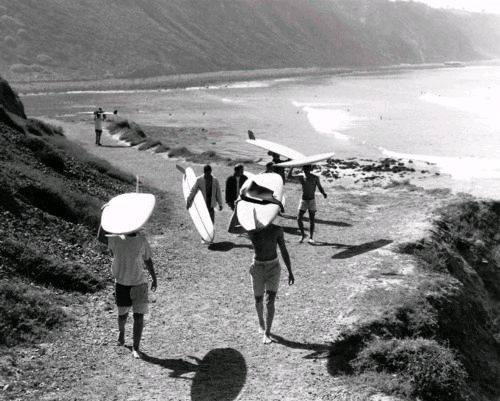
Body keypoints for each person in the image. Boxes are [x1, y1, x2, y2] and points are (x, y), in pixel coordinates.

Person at [237, 175, 295, 344]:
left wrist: (290, 271)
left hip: (273, 267)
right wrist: (239, 204)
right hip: (257, 267)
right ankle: (261, 324)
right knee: (258, 300)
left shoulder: (277, 230)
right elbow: (232, 229)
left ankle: (267, 333)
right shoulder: (253, 229)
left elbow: (284, 251)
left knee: (270, 302)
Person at [98, 228, 157, 359]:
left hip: (139, 283)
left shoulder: (141, 241)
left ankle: (136, 347)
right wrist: (104, 218)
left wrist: (154, 277)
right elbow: (100, 237)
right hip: (121, 283)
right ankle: (122, 331)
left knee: (139, 317)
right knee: (122, 316)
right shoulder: (116, 239)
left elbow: (147, 260)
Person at [296, 164, 327, 244]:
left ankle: (311, 237)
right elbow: (289, 177)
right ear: (303, 169)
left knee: (312, 220)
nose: (305, 170)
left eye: (307, 168)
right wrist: (292, 166)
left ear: (310, 169)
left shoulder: (315, 177)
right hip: (303, 200)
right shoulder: (301, 177)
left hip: (312, 201)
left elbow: (319, 186)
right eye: (304, 169)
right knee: (299, 218)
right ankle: (303, 235)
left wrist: (323, 193)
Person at [186, 164, 223, 229]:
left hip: (211, 204)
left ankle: (210, 232)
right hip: (202, 204)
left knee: (211, 221)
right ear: (204, 172)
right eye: (206, 173)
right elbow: (193, 191)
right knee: (203, 221)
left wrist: (220, 204)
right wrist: (189, 201)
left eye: (209, 173)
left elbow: (218, 192)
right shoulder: (199, 179)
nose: (208, 175)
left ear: (211, 171)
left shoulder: (215, 180)